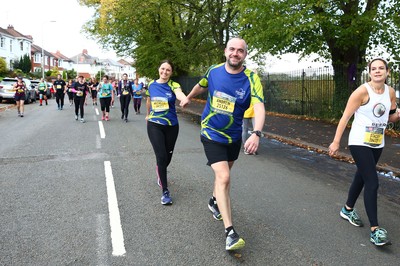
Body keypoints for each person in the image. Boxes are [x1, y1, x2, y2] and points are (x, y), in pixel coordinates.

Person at [180, 37, 265, 251]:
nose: (235, 53)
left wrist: (256, 133)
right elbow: (202, 85)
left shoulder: (251, 79)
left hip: (233, 136)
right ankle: (230, 233)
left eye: (240, 51)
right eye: (232, 49)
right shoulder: (214, 70)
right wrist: (188, 97)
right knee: (224, 177)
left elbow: (260, 106)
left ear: (245, 55)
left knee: (223, 176)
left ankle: (213, 201)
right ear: (225, 51)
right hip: (210, 132)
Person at [329, 58, 400, 246]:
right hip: (359, 141)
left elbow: (390, 116)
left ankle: (347, 209)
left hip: (377, 142)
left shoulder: (390, 92)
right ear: (369, 73)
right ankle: (375, 230)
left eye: (381, 68)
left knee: (361, 176)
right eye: (373, 69)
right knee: (372, 182)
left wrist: (397, 116)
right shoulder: (361, 92)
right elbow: (345, 117)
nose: (377, 71)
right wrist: (336, 142)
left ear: (387, 72)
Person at [146, 60, 188, 205]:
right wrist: (147, 113)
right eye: (162, 69)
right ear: (159, 69)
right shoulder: (151, 85)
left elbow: (179, 93)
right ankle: (165, 191)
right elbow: (149, 100)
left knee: (167, 158)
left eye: (168, 70)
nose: (164, 72)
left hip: (171, 125)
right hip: (154, 124)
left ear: (171, 72)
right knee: (161, 156)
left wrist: (184, 99)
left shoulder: (173, 85)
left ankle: (160, 172)